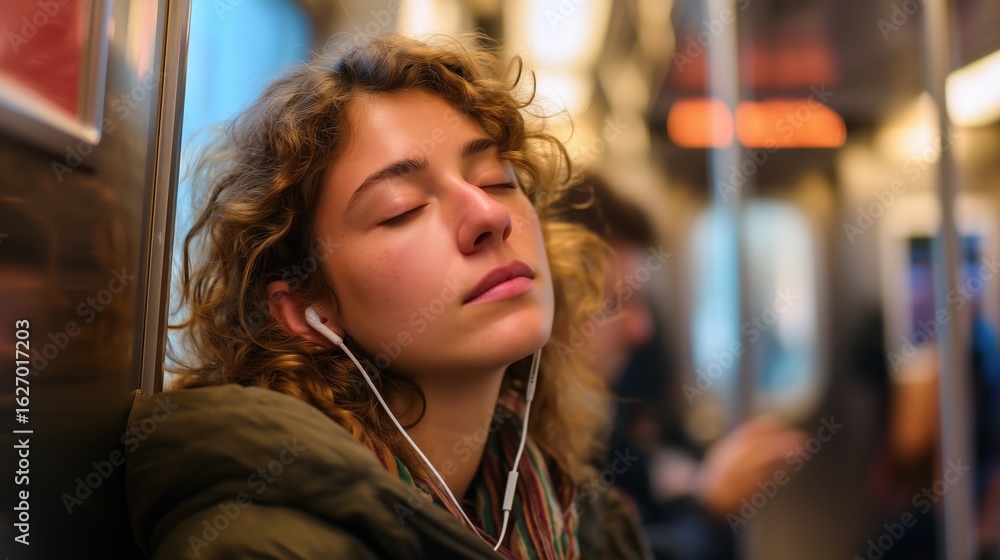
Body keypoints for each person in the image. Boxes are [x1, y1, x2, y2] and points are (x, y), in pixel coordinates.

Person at [125, 34, 653, 559]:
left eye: (496, 181)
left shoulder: (592, 528)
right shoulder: (260, 541)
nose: (489, 217)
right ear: (309, 313)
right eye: (402, 209)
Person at [553, 176, 805, 560]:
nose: (642, 330)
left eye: (640, 303)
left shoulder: (613, 418)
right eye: (611, 306)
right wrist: (707, 509)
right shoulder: (539, 459)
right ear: (551, 315)